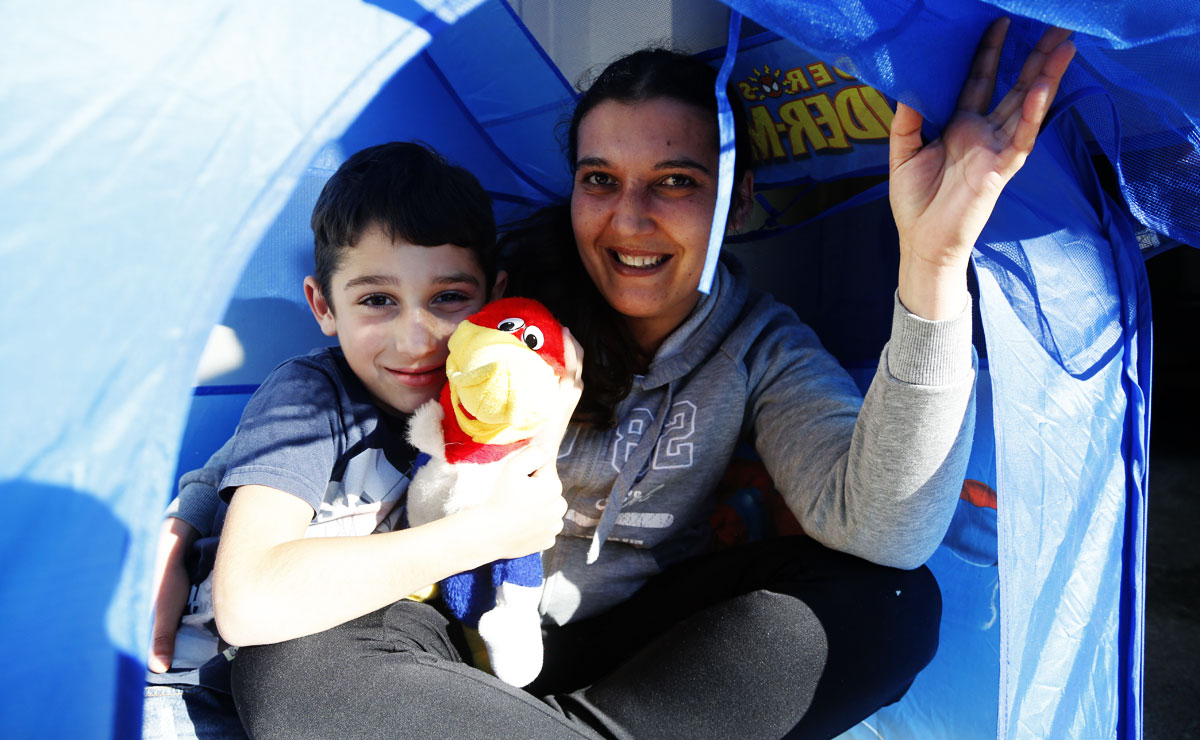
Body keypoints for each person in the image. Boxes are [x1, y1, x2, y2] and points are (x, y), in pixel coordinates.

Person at [162, 19, 1076, 740]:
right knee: (287, 668)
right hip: (452, 634)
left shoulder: (758, 344)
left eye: (673, 180)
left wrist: (932, 265)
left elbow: (885, 530)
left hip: (638, 657)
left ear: (735, 202)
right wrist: (196, 510)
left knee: (890, 604)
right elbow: (341, 383)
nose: (629, 218)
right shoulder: (494, 294)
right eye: (600, 179)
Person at [141, 140, 515, 739]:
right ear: (324, 305)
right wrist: (486, 535)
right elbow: (246, 604)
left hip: (340, 690)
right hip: (197, 692)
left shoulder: (492, 402)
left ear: (494, 299)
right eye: (377, 300)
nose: (415, 338)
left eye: (447, 297)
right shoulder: (309, 397)